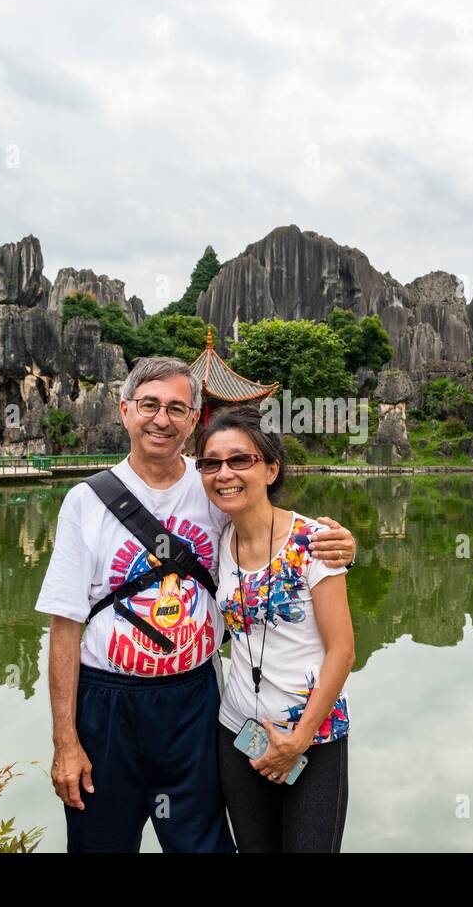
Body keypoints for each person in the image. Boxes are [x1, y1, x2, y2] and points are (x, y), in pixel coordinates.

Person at [34, 356, 357, 853]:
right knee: (100, 843)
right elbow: (65, 626)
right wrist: (65, 742)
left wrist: (342, 547)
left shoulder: (213, 487)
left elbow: (275, 532)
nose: (161, 419)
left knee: (202, 843)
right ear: (125, 410)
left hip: (193, 703)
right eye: (149, 405)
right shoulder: (86, 501)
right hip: (107, 705)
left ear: (192, 420)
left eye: (177, 408)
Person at [197, 406, 355, 852]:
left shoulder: (312, 542)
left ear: (270, 469)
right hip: (237, 731)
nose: (225, 474)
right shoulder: (217, 540)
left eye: (240, 460)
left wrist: (298, 740)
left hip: (312, 739)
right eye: (211, 463)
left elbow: (343, 651)